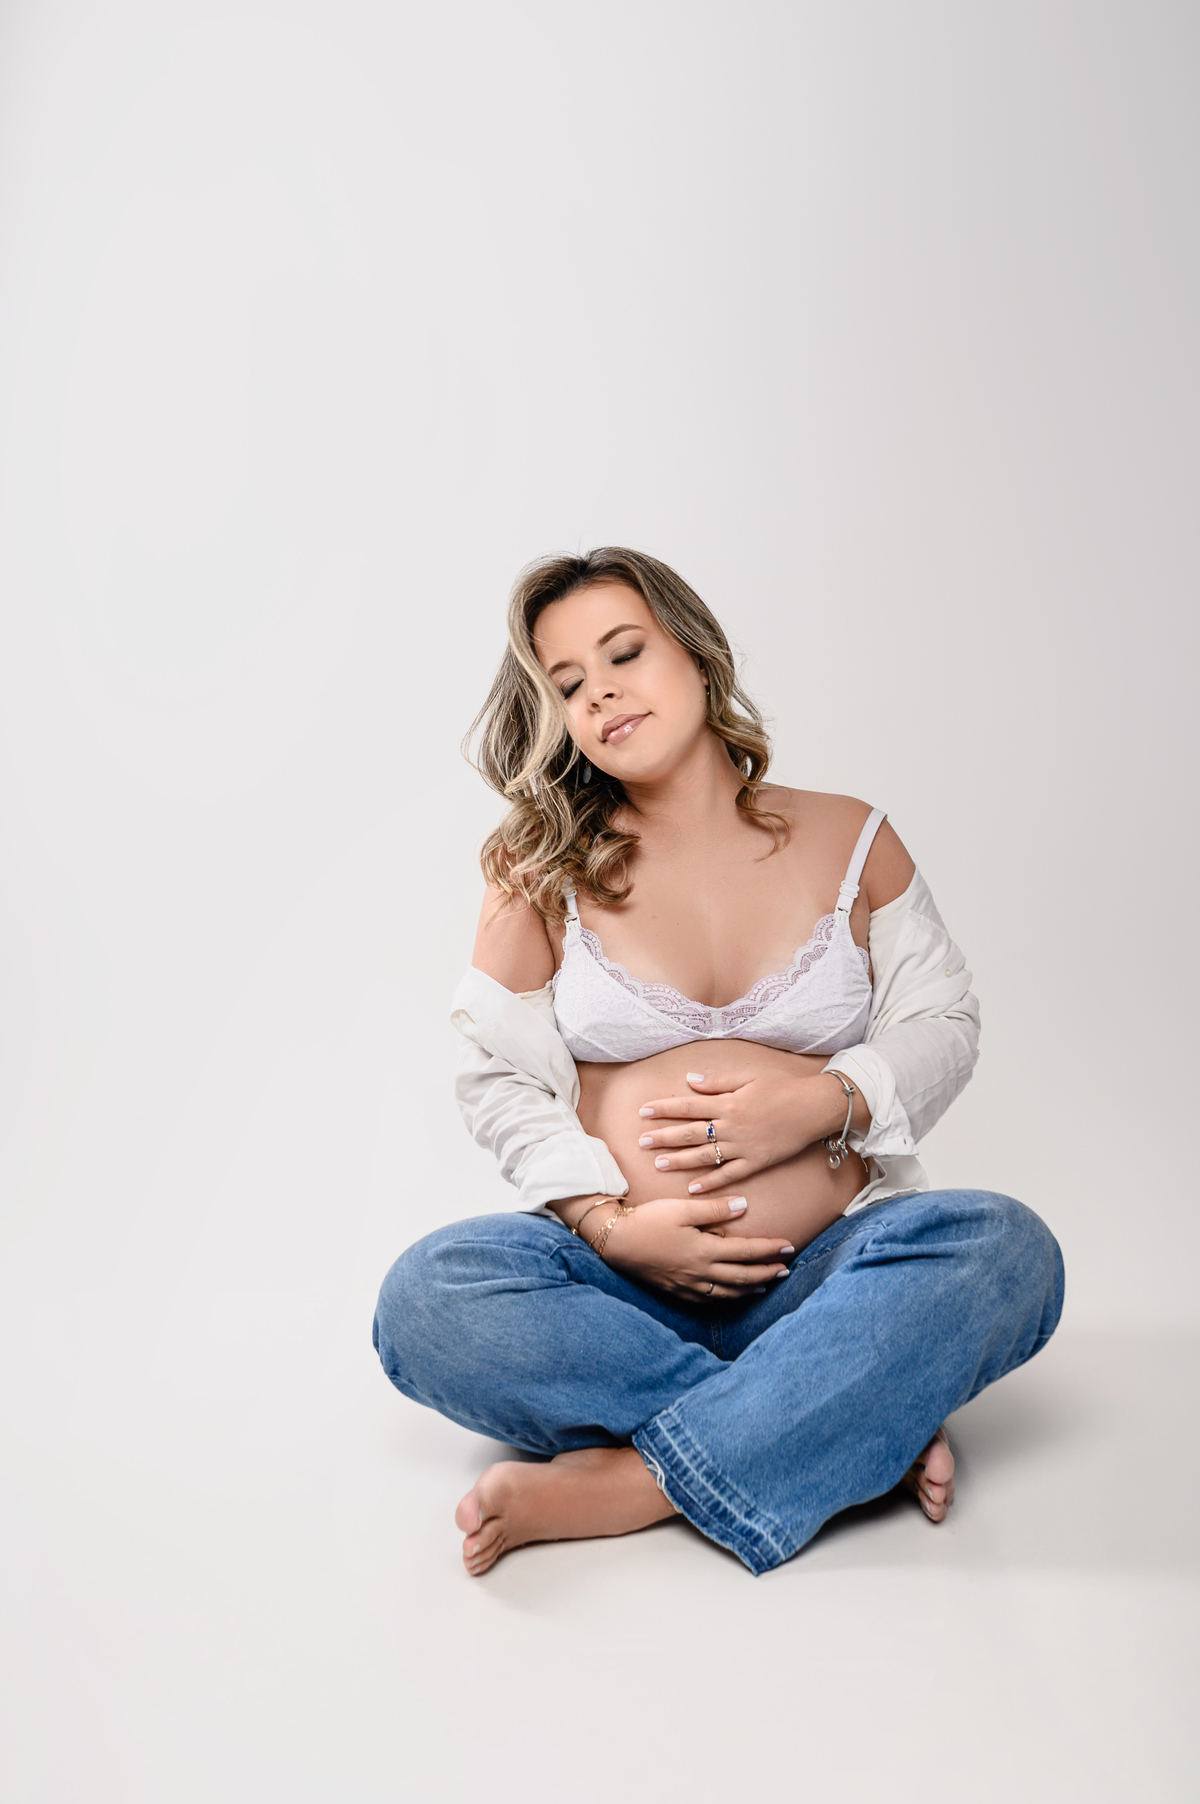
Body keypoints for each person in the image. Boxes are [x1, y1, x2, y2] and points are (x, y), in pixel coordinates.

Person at [373, 548, 1064, 1577]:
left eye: (624, 653)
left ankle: (633, 1483)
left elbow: (943, 1021)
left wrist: (818, 1104)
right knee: (428, 1297)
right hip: (619, 1286)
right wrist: (611, 1228)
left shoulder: (852, 837)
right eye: (568, 683)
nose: (600, 691)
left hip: (827, 1270)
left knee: (1005, 1250)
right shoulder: (537, 863)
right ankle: (841, 1422)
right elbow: (497, 1076)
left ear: (696, 656)